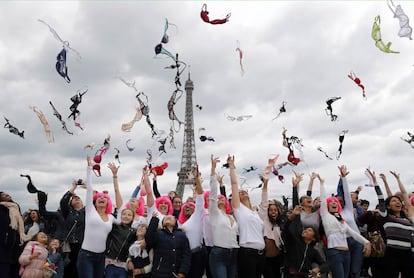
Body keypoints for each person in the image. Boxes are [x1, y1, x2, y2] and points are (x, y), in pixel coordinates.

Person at [319, 172, 371, 278]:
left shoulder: (341, 219)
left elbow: (353, 233)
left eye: (335, 202)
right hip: (334, 252)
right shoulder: (326, 216)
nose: (334, 203)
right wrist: (322, 184)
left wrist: (366, 242)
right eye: (331, 202)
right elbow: (323, 200)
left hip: (346, 253)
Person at [76, 157, 120, 278]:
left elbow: (122, 218)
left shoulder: (111, 217)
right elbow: (89, 189)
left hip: (101, 257)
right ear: (94, 202)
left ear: (108, 203)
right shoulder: (90, 211)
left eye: (104, 198)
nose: (101, 198)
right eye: (99, 197)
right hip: (86, 256)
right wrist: (89, 168)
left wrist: (115, 176)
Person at [366, 169, 414, 278]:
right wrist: (375, 182)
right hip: (392, 253)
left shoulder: (408, 219)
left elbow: (405, 194)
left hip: (408, 253)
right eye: (393, 201)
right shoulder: (387, 217)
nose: (397, 202)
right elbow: (381, 198)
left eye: (398, 201)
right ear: (388, 206)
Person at [229, 155, 265, 278]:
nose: (242, 191)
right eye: (239, 192)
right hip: (247, 252)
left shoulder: (255, 212)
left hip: (261, 253)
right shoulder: (239, 209)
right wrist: (232, 167)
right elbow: (234, 183)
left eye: (244, 190)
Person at [209, 155, 239, 278]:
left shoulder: (232, 217)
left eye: (222, 198)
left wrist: (232, 167)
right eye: (218, 199)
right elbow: (213, 194)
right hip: (219, 254)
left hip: (234, 253)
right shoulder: (214, 214)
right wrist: (213, 170)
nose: (220, 199)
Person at [178, 166, 207, 278]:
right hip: (183, 256)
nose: (187, 208)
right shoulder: (178, 223)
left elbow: (200, 197)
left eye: (190, 206)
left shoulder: (196, 217)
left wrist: (197, 180)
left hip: (196, 254)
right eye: (185, 207)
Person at [285, 206, 329, 278]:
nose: (305, 230)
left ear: (314, 238)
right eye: (305, 229)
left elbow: (326, 265)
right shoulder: (294, 242)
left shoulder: (313, 251)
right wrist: (293, 216)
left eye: (309, 230)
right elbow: (286, 228)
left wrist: (318, 269)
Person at [145, 211, 191, 278]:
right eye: (165, 217)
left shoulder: (182, 235)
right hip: (159, 273)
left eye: (171, 217)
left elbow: (186, 254)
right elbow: (149, 240)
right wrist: (154, 220)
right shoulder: (158, 234)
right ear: (162, 223)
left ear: (175, 221)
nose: (168, 217)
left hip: (176, 273)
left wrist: (183, 271)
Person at [0, 191, 31, 278]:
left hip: (16, 246)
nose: (7, 194)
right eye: (3, 195)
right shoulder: (2, 208)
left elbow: (19, 226)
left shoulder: (15, 207)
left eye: (7, 193)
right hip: (4, 248)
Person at [60, 179, 86, 278]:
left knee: (81, 268)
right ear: (70, 203)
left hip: (82, 244)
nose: (76, 198)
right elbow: (63, 202)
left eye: (78, 197)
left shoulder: (86, 211)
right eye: (74, 198)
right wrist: (73, 188)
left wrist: (87, 187)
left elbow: (94, 200)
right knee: (69, 268)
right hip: (69, 246)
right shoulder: (68, 212)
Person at [105, 208, 136, 278]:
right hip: (110, 262)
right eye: (124, 214)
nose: (126, 216)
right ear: (120, 216)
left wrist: (129, 260)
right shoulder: (114, 227)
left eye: (129, 215)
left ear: (132, 218)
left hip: (123, 264)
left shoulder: (134, 232)